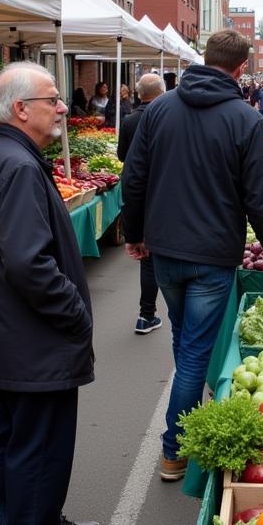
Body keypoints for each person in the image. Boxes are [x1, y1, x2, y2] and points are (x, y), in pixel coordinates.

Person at [121, 29, 263, 481]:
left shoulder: (158, 109)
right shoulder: (246, 119)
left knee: (185, 341)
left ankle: (185, 404)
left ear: (204, 58)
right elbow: (261, 198)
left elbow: (133, 178)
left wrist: (132, 232)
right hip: (212, 254)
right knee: (194, 352)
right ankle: (174, 449)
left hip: (164, 249)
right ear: (239, 69)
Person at [0, 61, 98, 525]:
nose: (62, 107)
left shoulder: (3, 156)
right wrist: (75, 311)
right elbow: (28, 265)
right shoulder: (16, 166)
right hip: (31, 340)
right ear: (22, 109)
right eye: (52, 100)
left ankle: (39, 524)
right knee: (38, 445)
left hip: (11, 336)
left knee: (19, 439)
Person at [118, 73, 165, 335]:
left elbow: (123, 156)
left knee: (148, 259)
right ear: (162, 91)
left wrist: (132, 232)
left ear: (138, 94)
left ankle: (146, 314)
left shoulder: (130, 119)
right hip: (163, 192)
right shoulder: (168, 116)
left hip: (140, 192)